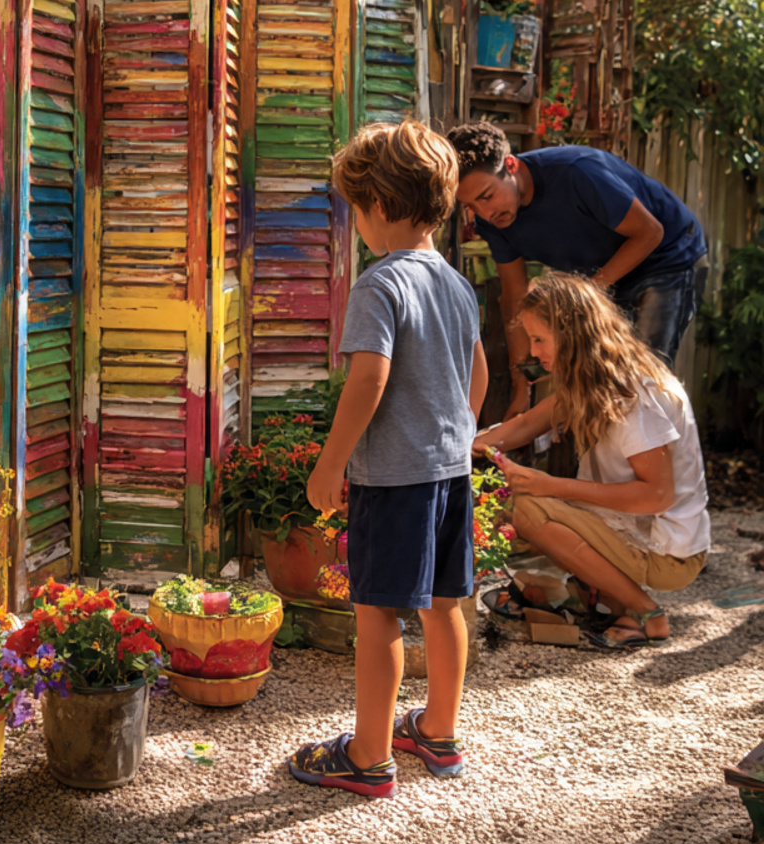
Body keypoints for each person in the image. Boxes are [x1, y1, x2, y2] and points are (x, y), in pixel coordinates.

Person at [288, 120, 486, 799]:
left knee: (377, 616)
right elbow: (477, 374)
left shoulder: (380, 284)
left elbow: (368, 379)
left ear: (376, 206)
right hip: (448, 472)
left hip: (395, 481)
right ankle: (438, 729)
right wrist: (455, 435)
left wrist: (329, 463)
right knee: (446, 606)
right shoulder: (456, 285)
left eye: (355, 211)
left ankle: (368, 755)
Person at [473, 272, 710, 650]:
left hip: (669, 554)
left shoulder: (632, 394)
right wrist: (468, 446)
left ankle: (645, 613)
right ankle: (599, 598)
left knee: (530, 509)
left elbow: (658, 496)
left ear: (571, 334)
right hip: (633, 531)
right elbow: (529, 424)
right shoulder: (594, 376)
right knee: (512, 512)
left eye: (539, 339)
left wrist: (550, 486)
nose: (534, 352)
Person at [447, 122, 706, 418]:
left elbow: (650, 232)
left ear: (511, 165)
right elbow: (514, 298)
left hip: (668, 255)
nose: (485, 214)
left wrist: (584, 295)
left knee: (642, 378)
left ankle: (659, 460)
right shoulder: (492, 223)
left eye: (486, 196)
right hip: (606, 274)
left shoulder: (577, 172)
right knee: (597, 378)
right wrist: (522, 387)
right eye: (470, 205)